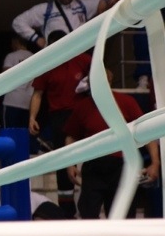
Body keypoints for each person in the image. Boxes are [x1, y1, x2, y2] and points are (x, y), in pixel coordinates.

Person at [64, 73, 160, 219]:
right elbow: (71, 136)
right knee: (88, 214)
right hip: (93, 166)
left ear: (109, 81)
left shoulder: (126, 102)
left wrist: (155, 162)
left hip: (121, 166)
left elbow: (146, 134)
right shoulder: (83, 106)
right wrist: (70, 164)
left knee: (123, 216)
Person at [28, 31, 92, 218]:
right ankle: (66, 212)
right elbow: (38, 94)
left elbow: (105, 76)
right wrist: (32, 117)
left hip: (82, 114)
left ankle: (90, 205)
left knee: (89, 158)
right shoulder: (46, 64)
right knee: (63, 165)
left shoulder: (83, 60)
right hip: (59, 118)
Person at [11, 0, 110, 50]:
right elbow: (18, 22)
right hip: (55, 55)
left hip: (78, 53)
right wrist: (36, 39)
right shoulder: (45, 8)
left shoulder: (83, 5)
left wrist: (104, 1)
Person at [1, 35, 35, 133]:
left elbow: (5, 76)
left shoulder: (11, 56)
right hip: (28, 102)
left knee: (9, 133)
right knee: (24, 133)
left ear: (16, 41)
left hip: (12, 101)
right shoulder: (34, 57)